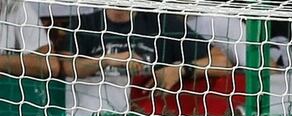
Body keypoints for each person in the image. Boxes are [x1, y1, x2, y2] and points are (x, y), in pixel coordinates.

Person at [56, 8, 232, 90]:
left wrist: (182, 69)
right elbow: (67, 67)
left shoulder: (162, 23)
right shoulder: (84, 24)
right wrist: (106, 60)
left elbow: (222, 62)